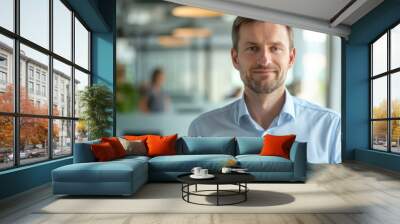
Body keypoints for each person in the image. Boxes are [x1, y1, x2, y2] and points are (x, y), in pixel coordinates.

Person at [188, 17, 341, 164]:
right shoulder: (202, 130)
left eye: (275, 48)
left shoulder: (330, 128)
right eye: (252, 48)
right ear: (235, 59)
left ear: (291, 58)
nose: (264, 60)